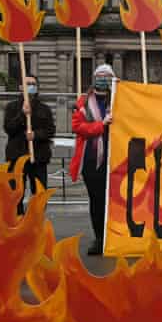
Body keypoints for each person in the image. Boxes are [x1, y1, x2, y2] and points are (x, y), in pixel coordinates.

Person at [70, 64, 115, 255]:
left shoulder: (119, 99)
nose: (103, 79)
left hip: (115, 158)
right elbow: (78, 127)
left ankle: (112, 237)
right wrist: (101, 125)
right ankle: (99, 238)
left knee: (113, 201)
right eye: (100, 76)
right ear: (94, 78)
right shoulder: (83, 102)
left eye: (107, 76)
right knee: (96, 200)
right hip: (92, 160)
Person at [4, 75, 55, 214]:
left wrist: (36, 135)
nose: (31, 86)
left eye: (33, 83)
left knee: (39, 192)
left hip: (38, 156)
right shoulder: (12, 107)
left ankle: (35, 222)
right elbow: (8, 128)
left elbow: (50, 130)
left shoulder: (44, 109)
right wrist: (22, 114)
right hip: (17, 157)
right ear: (20, 87)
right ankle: (17, 221)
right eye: (27, 84)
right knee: (15, 192)